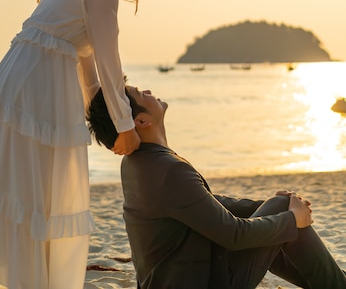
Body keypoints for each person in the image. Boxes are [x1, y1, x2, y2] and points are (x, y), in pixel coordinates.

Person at [0, 0, 163, 289]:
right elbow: (109, 59)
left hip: (20, 81)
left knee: (30, 192)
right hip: (37, 88)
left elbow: (90, 71)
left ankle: (29, 279)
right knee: (42, 193)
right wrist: (125, 127)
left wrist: (103, 121)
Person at [87, 84, 346, 289]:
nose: (149, 92)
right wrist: (292, 218)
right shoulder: (168, 170)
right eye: (140, 93)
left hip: (176, 277)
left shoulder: (138, 162)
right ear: (142, 122)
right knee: (282, 213)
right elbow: (234, 235)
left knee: (278, 210)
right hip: (202, 282)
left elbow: (202, 201)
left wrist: (264, 207)